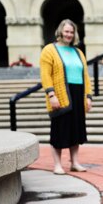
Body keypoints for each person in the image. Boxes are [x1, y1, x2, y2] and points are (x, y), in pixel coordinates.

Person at [40, 19, 93, 175]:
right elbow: (45, 75)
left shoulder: (78, 52)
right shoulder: (49, 50)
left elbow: (86, 76)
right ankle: (57, 164)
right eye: (66, 31)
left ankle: (74, 162)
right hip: (60, 95)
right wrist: (51, 94)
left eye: (71, 32)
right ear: (60, 32)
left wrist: (88, 96)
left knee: (76, 130)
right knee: (59, 130)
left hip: (78, 95)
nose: (69, 34)